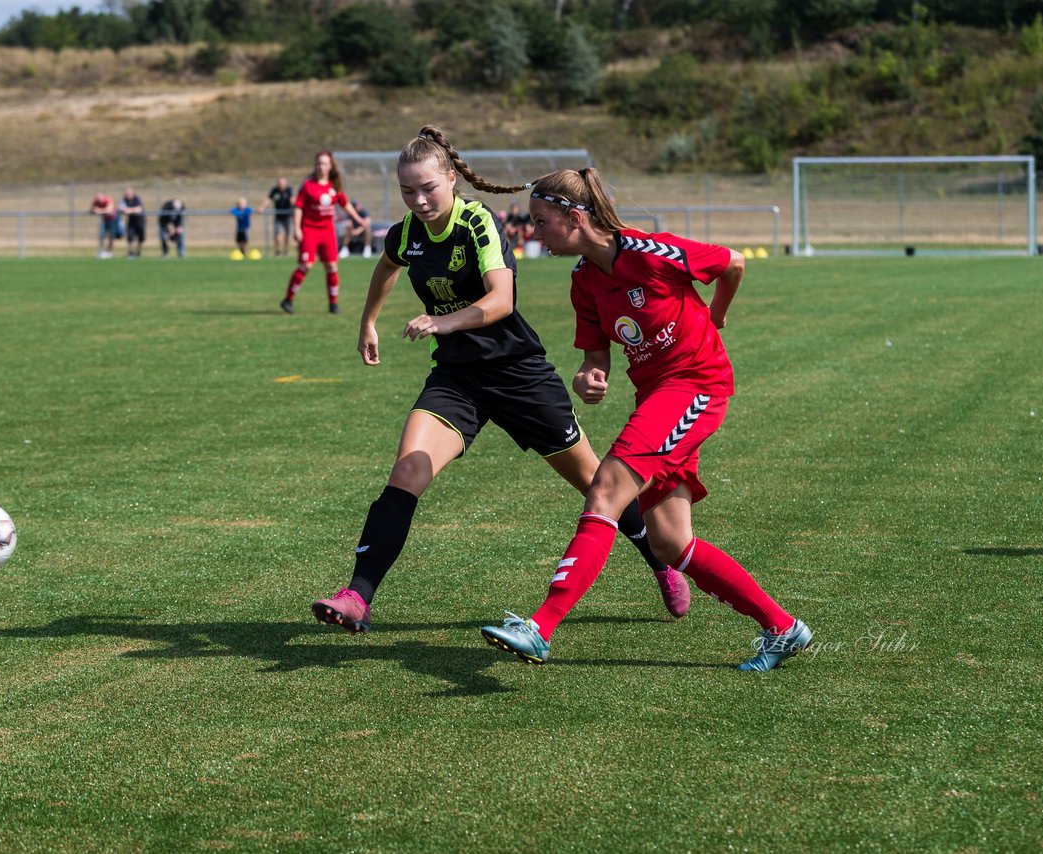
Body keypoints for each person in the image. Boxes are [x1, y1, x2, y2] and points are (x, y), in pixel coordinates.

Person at [310, 126, 691, 635]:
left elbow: (500, 301)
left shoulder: (477, 222)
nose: (418, 200)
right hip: (456, 379)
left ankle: (659, 561)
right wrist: (368, 323)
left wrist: (441, 322)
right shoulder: (407, 233)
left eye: (428, 188)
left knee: (596, 484)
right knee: (406, 474)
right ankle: (357, 595)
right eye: (407, 191)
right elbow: (386, 267)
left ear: (451, 178)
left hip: (518, 375)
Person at [480, 167, 812, 672]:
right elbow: (596, 357)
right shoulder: (584, 281)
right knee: (670, 542)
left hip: (698, 387)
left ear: (574, 218)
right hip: (656, 397)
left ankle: (540, 626)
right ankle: (783, 628)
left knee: (606, 488)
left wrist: (717, 314)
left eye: (542, 221)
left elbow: (734, 262)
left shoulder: (650, 253)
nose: (535, 232)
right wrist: (589, 377)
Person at [280, 151, 370, 315]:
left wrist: (358, 218)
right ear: (315, 166)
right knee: (306, 265)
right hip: (309, 229)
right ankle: (288, 299)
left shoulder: (334, 186)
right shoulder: (308, 185)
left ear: (330, 166)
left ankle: (333, 304)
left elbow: (345, 204)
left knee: (332, 267)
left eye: (324, 163)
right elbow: (299, 207)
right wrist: (297, 228)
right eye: (318, 163)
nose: (321, 166)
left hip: (327, 231)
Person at [265, 177, 294, 257]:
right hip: (278, 217)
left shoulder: (289, 190)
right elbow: (268, 200)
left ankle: (286, 251)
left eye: (282, 183)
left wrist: (295, 207)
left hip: (287, 216)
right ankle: (278, 251)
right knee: (277, 233)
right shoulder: (275, 190)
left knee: (287, 234)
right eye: (279, 183)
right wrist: (262, 207)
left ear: (285, 184)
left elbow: (293, 200)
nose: (280, 185)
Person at [119, 187, 146, 258]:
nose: (127, 195)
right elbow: (122, 209)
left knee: (140, 236)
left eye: (129, 193)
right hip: (131, 220)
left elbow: (139, 209)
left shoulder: (137, 199)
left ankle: (138, 251)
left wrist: (130, 210)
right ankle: (131, 252)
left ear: (132, 193)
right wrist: (131, 210)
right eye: (126, 193)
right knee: (130, 236)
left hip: (140, 220)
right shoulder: (124, 199)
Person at [90, 193, 116, 259]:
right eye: (98, 200)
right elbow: (92, 210)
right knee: (101, 236)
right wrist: (98, 210)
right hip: (102, 220)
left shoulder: (108, 200)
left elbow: (109, 210)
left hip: (111, 220)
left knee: (111, 236)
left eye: (100, 199)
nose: (99, 201)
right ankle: (101, 251)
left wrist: (100, 211)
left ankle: (109, 252)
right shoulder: (95, 201)